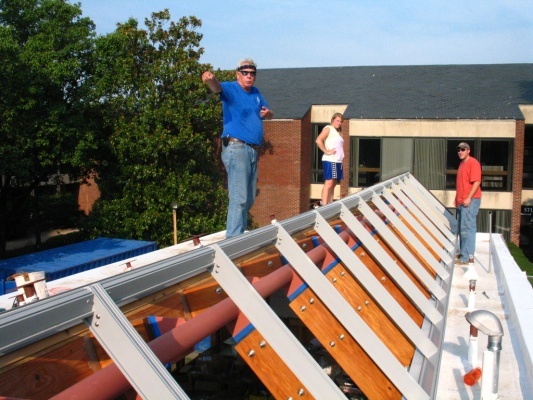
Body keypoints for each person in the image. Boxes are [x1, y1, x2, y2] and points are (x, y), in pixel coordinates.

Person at [202, 58, 273, 238]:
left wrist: (268, 114)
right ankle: (233, 240)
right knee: (239, 197)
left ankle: (237, 234)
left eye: (252, 73)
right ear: (238, 74)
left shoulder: (256, 93)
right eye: (245, 73)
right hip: (236, 148)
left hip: (252, 150)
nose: (249, 76)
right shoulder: (231, 89)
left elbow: (269, 113)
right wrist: (210, 79)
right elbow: (216, 87)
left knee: (248, 199)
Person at [454, 142, 482, 265]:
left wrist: (468, 198)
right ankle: (466, 254)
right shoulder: (461, 164)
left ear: (468, 150)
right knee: (462, 228)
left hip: (470, 201)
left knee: (467, 228)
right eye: (459, 150)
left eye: (463, 149)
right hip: (462, 201)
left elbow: (477, 182)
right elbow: (461, 183)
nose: (460, 152)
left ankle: (466, 257)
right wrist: (457, 198)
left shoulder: (473, 163)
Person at [315, 113, 345, 205]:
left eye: (341, 121)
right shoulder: (328, 128)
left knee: (334, 184)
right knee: (329, 182)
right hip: (330, 159)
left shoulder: (338, 133)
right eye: (337, 121)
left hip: (338, 161)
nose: (339, 123)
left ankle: (330, 203)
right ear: (332, 120)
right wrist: (327, 151)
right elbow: (318, 140)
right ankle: (324, 205)